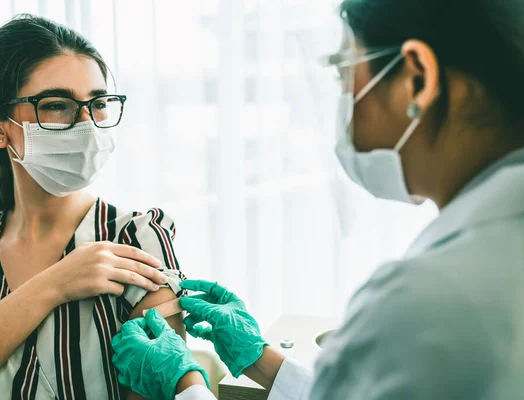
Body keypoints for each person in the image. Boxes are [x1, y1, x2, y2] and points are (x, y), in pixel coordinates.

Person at [111, 0, 524, 398]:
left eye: (345, 71)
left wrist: (187, 386)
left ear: (417, 79)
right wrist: (263, 361)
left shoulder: (422, 301)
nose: (344, 99)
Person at [0, 14, 204, 400]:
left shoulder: (136, 241)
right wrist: (53, 284)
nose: (88, 123)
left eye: (99, 102)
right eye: (57, 104)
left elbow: (159, 388)